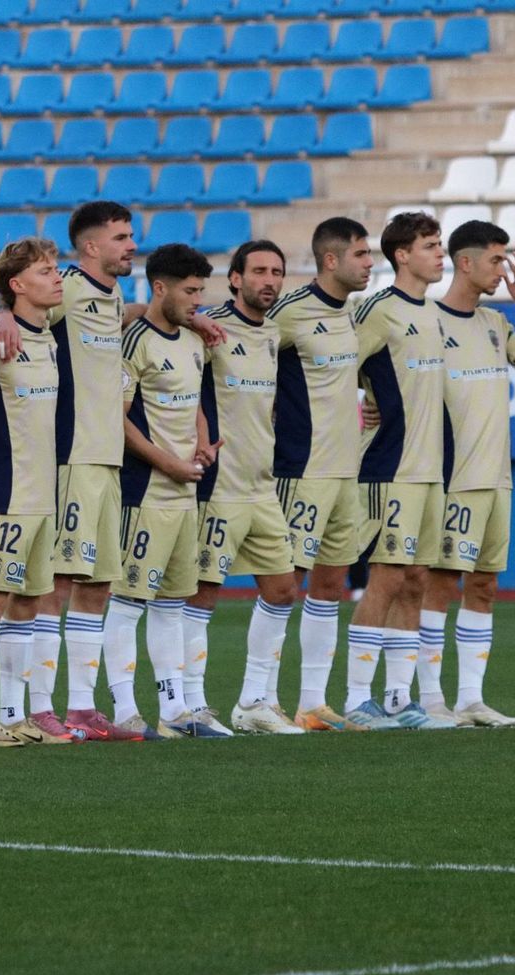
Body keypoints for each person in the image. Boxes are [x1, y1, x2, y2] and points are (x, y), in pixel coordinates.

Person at [420, 220, 515, 727]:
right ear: (465, 262)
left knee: (484, 587)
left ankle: (471, 700)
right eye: (497, 260)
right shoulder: (426, 321)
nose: (504, 269)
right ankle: (431, 700)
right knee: (440, 584)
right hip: (452, 476)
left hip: (497, 478)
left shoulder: (495, 324)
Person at [102, 243, 228, 740]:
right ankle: (124, 711)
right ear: (160, 288)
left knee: (173, 604)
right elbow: (120, 418)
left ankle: (175, 712)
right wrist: (169, 463)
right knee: (128, 602)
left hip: (183, 491)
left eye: (201, 290)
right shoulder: (135, 341)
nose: (198, 300)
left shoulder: (194, 341)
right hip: (146, 489)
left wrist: (200, 442)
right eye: (191, 291)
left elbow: (192, 398)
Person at [0, 238, 75, 746]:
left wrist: (3, 309)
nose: (57, 278)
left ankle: (11, 714)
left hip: (42, 496)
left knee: (28, 603)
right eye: (46, 271)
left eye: (55, 270)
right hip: (3, 495)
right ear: (17, 285)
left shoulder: (47, 336)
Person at [183, 240, 303, 735]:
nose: (268, 280)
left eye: (276, 271)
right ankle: (190, 704)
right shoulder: (206, 325)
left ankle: (255, 701)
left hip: (261, 485)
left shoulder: (274, 331)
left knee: (282, 589)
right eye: (258, 271)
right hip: (219, 484)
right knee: (202, 593)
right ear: (235, 278)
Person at [343, 212, 457, 730]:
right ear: (402, 255)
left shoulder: (432, 313)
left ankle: (397, 701)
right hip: (390, 466)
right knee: (386, 579)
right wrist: (356, 404)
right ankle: (355, 702)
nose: (441, 254)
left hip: (430, 471)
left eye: (440, 245)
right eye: (431, 245)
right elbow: (335, 366)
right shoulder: (378, 312)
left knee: (415, 581)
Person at [267, 217, 376, 731]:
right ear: (330, 260)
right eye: (361, 254)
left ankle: (312, 703)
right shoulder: (288, 314)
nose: (369, 263)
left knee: (331, 584)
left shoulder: (353, 315)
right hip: (301, 469)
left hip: (344, 471)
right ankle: (259, 700)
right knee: (283, 586)